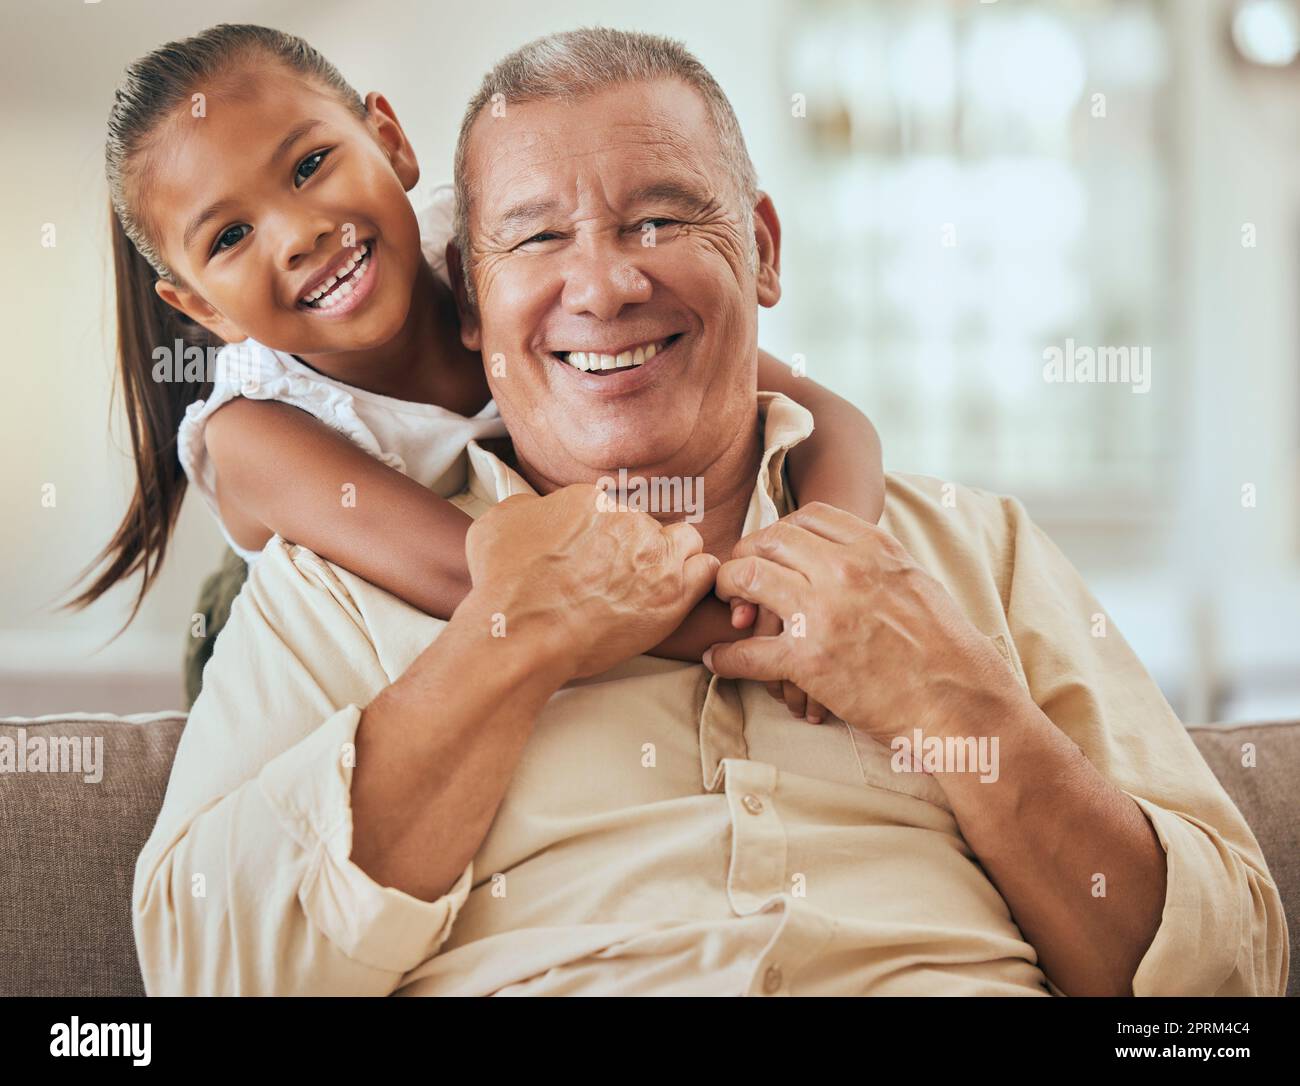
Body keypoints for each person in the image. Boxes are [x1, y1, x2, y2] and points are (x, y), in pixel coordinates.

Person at [133, 27, 1288, 997]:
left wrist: (942, 687)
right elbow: (206, 970)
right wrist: (511, 639)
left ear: (764, 251)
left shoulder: (977, 551)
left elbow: (1227, 986)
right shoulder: (320, 573)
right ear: (474, 298)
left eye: (661, 220)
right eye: (538, 238)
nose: (605, 286)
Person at [74, 23, 884, 723]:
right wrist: (761, 626)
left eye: (309, 164)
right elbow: (486, 577)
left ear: (388, 139)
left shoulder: (505, 260)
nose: (296, 235)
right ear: (201, 308)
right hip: (312, 624)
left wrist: (834, 566)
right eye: (229, 237)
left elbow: (821, 412)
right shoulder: (253, 431)